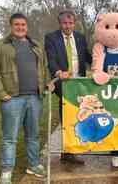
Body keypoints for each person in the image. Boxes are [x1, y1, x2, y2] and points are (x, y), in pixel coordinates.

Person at [0, 13, 54, 184]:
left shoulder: (36, 45)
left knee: (33, 135)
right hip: (12, 99)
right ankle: (7, 170)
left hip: (34, 98)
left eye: (23, 24)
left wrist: (46, 85)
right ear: (11, 26)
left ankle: (33, 165)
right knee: (10, 137)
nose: (20, 27)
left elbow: (44, 68)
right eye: (17, 24)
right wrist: (2, 94)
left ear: (27, 26)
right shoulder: (1, 46)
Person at [45, 10, 92, 164]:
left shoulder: (80, 38)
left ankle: (71, 150)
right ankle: (67, 151)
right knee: (67, 115)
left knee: (79, 115)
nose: (68, 26)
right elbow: (51, 59)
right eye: (65, 23)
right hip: (64, 83)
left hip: (80, 83)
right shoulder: (51, 38)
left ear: (74, 23)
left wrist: (100, 66)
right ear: (60, 23)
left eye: (70, 23)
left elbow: (88, 57)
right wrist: (59, 72)